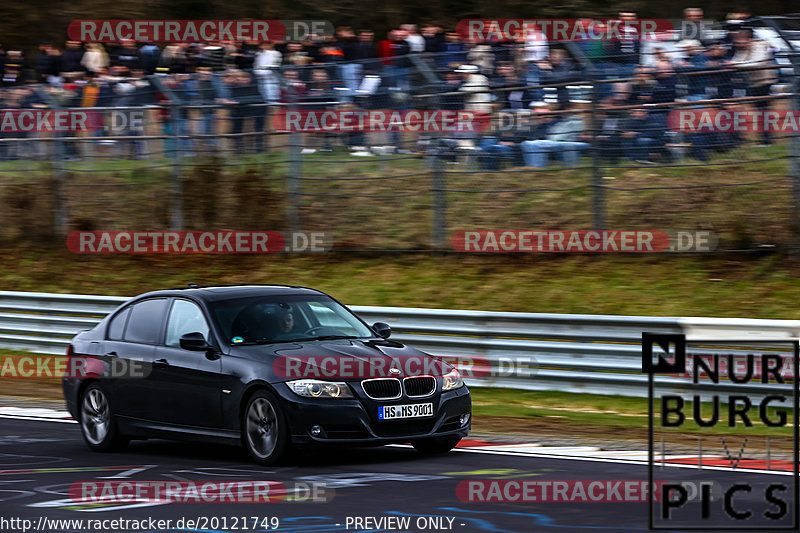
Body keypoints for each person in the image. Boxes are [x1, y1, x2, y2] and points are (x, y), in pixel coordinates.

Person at [730, 28, 777, 146]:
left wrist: (736, 64)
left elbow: (757, 63)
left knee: (763, 111)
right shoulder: (742, 48)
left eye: (741, 42)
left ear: (749, 40)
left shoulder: (760, 46)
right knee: (759, 111)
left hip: (765, 81)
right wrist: (734, 63)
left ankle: (767, 140)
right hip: (753, 82)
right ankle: (764, 139)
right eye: (737, 43)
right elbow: (736, 60)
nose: (739, 45)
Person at [520, 103, 588, 167]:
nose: (542, 117)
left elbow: (580, 135)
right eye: (539, 115)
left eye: (543, 115)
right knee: (528, 144)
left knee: (531, 144)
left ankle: (536, 171)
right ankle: (536, 170)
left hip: (561, 142)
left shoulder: (574, 121)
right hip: (552, 142)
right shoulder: (549, 124)